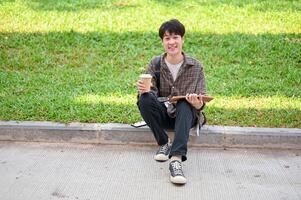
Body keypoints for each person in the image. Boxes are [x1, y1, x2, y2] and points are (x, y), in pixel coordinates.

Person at [136, 19, 207, 185]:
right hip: (164, 114)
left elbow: (202, 101)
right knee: (144, 99)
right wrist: (143, 91)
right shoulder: (155, 63)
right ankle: (164, 142)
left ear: (182, 39)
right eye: (167, 38)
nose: (172, 42)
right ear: (162, 42)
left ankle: (176, 160)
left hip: (187, 116)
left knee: (184, 103)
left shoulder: (195, 66)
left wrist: (197, 103)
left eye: (175, 37)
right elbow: (150, 97)